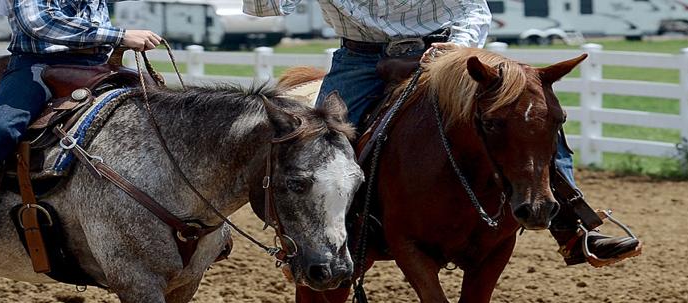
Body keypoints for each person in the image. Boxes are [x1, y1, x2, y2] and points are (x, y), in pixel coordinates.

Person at [242, 0, 640, 266]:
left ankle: (573, 227)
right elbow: (265, 7)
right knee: (320, 142)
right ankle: (315, 239)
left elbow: (473, 7)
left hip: (446, 49)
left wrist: (455, 47)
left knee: (529, 113)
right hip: (359, 56)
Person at [0, 0, 166, 268]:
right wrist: (120, 35)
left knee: (160, 112)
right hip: (38, 66)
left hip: (97, 66)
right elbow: (39, 23)